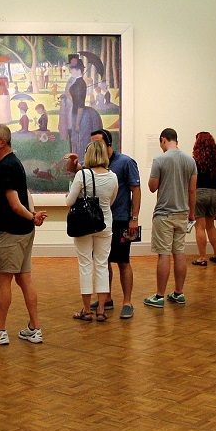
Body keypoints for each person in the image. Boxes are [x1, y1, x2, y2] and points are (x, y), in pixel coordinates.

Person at [63, 129, 141, 319]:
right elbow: (74, 171)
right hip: (105, 221)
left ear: (108, 144)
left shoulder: (125, 162)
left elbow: (136, 190)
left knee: (123, 261)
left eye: (97, 143)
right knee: (103, 263)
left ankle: (127, 301)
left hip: (121, 219)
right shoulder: (102, 172)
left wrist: (134, 217)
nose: (93, 147)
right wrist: (73, 161)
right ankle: (105, 301)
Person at [0, 124, 48, 345]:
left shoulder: (6, 166)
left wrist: (31, 217)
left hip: (12, 233)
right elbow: (25, 194)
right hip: (23, 231)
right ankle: (34, 327)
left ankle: (0, 330)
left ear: (2, 142)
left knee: (3, 281)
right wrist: (32, 216)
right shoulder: (13, 163)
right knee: (24, 279)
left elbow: (14, 203)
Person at [65, 140, 117, 322]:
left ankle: (86, 310)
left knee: (85, 264)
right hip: (105, 223)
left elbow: (69, 202)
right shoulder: (113, 176)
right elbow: (111, 201)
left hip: (83, 225)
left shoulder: (83, 175)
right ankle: (101, 310)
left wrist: (70, 195)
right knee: (102, 264)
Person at [144, 128, 196, 309]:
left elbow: (152, 187)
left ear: (163, 140)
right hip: (183, 213)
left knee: (164, 253)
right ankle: (179, 293)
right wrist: (192, 213)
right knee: (179, 252)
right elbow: (192, 190)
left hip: (164, 213)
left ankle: (159, 295)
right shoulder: (190, 160)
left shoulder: (160, 160)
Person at [190, 131, 216, 266]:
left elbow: (192, 180)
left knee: (200, 227)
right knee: (211, 226)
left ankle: (203, 257)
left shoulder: (195, 160)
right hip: (215, 193)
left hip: (200, 192)